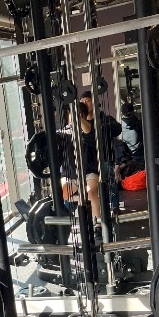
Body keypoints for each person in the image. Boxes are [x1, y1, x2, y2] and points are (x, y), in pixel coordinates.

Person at [58, 90, 122, 237]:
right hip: (73, 171)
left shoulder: (102, 120)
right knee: (65, 195)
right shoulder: (66, 131)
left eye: (88, 100)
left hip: (97, 162)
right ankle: (75, 214)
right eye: (83, 101)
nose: (85, 103)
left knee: (102, 178)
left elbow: (113, 130)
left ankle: (108, 212)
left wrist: (96, 126)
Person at [120, 100, 145, 167]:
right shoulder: (139, 124)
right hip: (141, 154)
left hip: (130, 157)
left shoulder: (120, 126)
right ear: (133, 111)